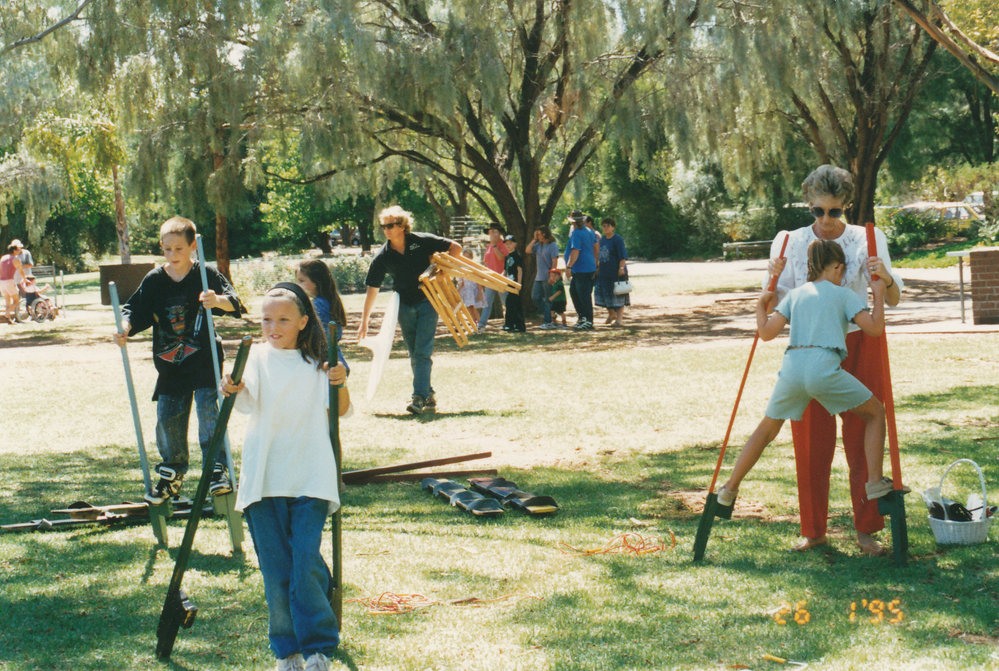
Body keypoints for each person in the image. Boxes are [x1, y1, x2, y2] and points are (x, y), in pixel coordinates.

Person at [767, 164, 903, 556]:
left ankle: (867, 529)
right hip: (810, 347)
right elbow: (778, 302)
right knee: (811, 438)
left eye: (835, 212)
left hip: (860, 342)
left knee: (862, 435)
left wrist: (886, 279)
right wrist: (771, 283)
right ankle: (814, 531)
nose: (825, 221)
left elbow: (891, 299)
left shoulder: (868, 239)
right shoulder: (789, 242)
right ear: (809, 206)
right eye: (817, 211)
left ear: (847, 206)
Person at [717, 239, 897, 517]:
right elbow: (874, 329)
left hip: (792, 367)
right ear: (837, 267)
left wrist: (759, 306)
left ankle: (728, 489)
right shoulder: (844, 294)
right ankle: (874, 483)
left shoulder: (795, 295)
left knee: (767, 429)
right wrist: (878, 295)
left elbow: (766, 333)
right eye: (841, 270)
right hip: (823, 365)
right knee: (874, 413)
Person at [223, 283, 346, 671]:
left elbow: (340, 410)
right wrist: (231, 384)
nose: (272, 327)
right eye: (266, 320)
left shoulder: (320, 360)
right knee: (276, 567)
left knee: (305, 556)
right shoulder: (255, 357)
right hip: (265, 477)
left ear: (303, 322)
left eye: (282, 320)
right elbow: (240, 398)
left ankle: (318, 646)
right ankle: (287, 649)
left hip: (310, 473)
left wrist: (339, 382)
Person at [114, 216, 244, 503]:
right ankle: (172, 473)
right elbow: (134, 310)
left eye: (179, 249)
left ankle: (217, 470)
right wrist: (124, 329)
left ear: (192, 247)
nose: (173, 256)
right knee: (168, 419)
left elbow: (235, 302)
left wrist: (216, 301)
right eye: (167, 249)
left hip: (204, 361)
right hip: (170, 365)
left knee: (209, 415)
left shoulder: (206, 274)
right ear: (162, 247)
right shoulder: (155, 280)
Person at [358, 205, 462, 415]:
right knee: (415, 352)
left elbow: (455, 248)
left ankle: (418, 397)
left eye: (391, 225)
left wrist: (440, 271)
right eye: (383, 226)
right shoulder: (383, 255)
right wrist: (364, 320)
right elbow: (372, 287)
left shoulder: (420, 241)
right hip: (403, 305)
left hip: (428, 300)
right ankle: (428, 393)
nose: (386, 230)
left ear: (402, 226)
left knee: (423, 350)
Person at [296, 259, 347, 340]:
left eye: (301, 281)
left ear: (316, 282)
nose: (297, 285)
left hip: (323, 352)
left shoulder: (318, 304)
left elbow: (307, 333)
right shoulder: (327, 300)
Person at [565, 211, 599, 330]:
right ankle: (582, 317)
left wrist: (569, 266)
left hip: (581, 268)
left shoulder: (577, 234)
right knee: (574, 291)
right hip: (588, 267)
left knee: (583, 295)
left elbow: (575, 251)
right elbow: (596, 246)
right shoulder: (589, 231)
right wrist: (595, 260)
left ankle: (588, 320)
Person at [594, 217, 629, 326]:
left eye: (608, 226)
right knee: (604, 293)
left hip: (617, 271)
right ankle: (611, 314)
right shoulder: (602, 239)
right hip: (604, 271)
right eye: (604, 226)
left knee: (619, 293)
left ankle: (619, 319)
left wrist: (621, 268)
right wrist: (598, 268)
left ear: (613, 227)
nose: (605, 228)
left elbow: (622, 255)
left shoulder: (617, 239)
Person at [476, 223, 509, 331]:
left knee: (506, 302)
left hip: (501, 278)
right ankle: (481, 325)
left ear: (499, 233)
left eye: (494, 231)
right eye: (491, 232)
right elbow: (486, 262)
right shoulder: (488, 246)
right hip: (490, 278)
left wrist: (495, 245)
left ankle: (510, 323)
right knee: (487, 303)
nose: (492, 234)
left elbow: (501, 257)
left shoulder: (503, 245)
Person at [525, 226, 559, 329]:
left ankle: (548, 321)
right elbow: (527, 250)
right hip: (539, 277)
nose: (537, 236)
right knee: (535, 297)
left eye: (538, 234)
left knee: (548, 299)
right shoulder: (538, 245)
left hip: (547, 276)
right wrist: (534, 239)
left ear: (544, 234)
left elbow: (554, 261)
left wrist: (552, 275)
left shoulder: (552, 245)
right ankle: (550, 314)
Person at [502, 235, 525, 333]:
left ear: (515, 244)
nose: (508, 246)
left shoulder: (517, 256)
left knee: (516, 305)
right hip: (509, 283)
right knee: (509, 304)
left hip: (515, 283)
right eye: (506, 244)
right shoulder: (507, 257)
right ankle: (509, 324)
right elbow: (505, 271)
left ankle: (519, 326)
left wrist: (518, 284)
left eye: (510, 244)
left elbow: (519, 270)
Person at [456, 249, 485, 325]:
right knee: (469, 308)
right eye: (464, 257)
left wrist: (479, 291)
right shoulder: (462, 268)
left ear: (471, 257)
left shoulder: (474, 267)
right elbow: (461, 282)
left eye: (468, 257)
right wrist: (458, 291)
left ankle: (480, 324)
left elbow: (478, 281)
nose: (466, 259)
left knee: (475, 308)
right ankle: (474, 324)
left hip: (474, 289)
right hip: (466, 290)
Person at [1, 242, 26, 324]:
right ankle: (7, 314)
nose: (20, 250)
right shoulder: (16, 259)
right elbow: (21, 271)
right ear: (14, 250)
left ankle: (8, 320)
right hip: (9, 281)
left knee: (7, 302)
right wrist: (25, 279)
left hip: (1, 282)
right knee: (16, 301)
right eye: (19, 249)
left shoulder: (3, 258)